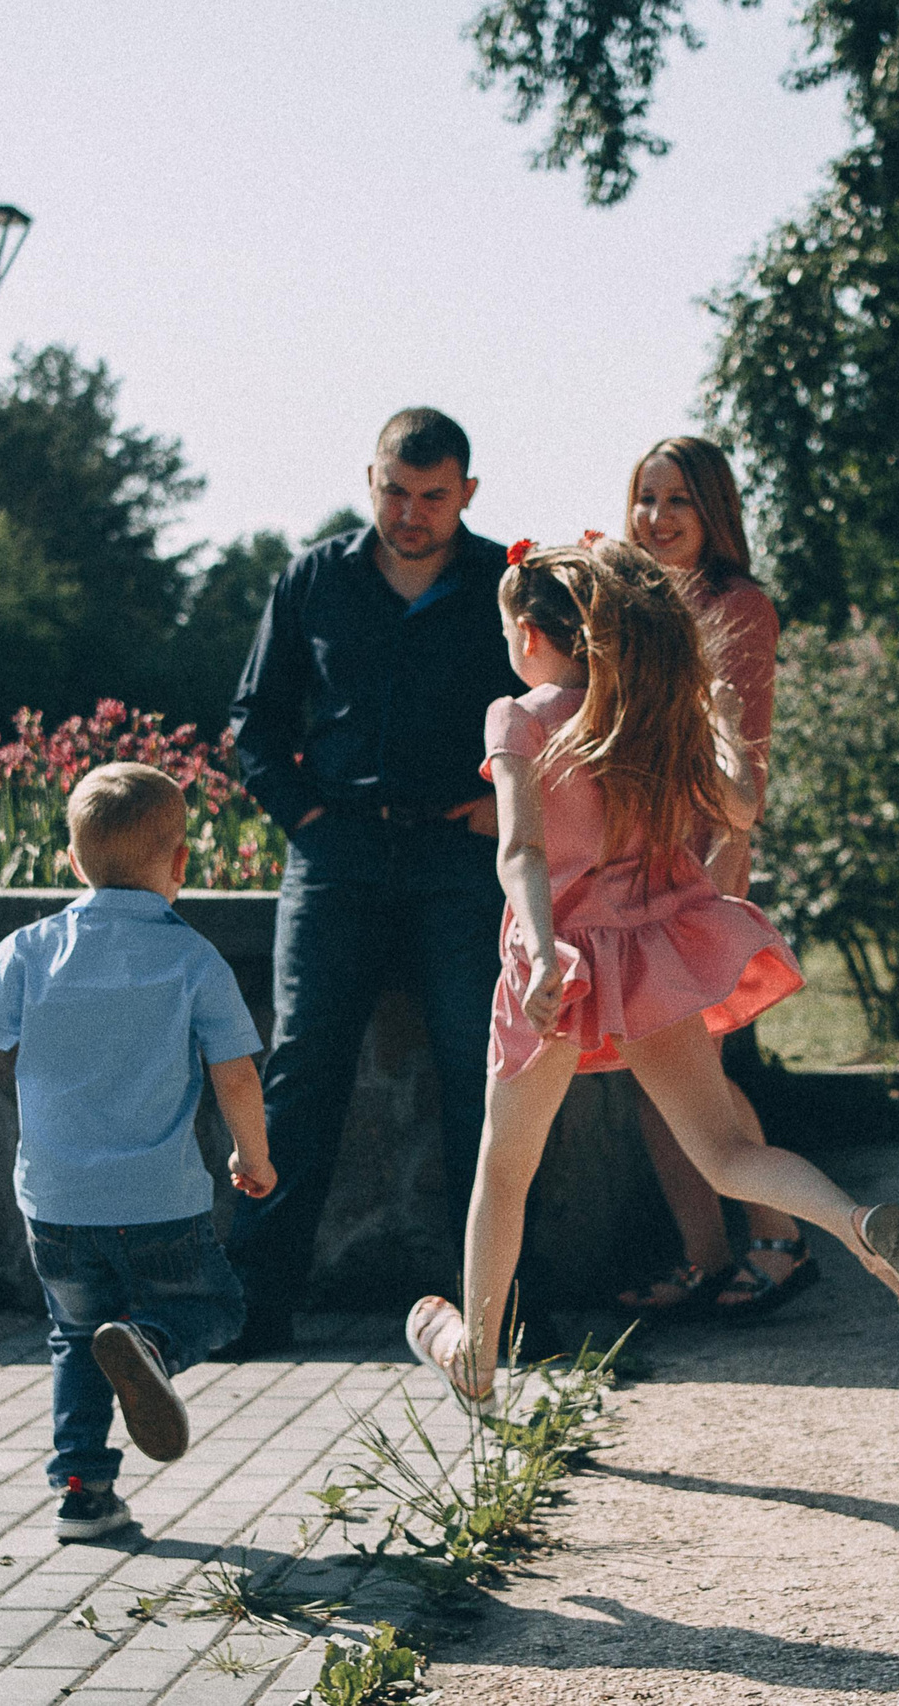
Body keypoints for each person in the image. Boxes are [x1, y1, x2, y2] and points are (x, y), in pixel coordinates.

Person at [404, 539, 899, 1406]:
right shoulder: (656, 716)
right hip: (653, 957)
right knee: (729, 1151)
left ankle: (474, 1355)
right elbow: (740, 807)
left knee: (505, 1165)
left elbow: (520, 848)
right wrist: (718, 717)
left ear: (527, 633)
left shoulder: (518, 718)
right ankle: (859, 1228)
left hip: (561, 967)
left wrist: (547, 947)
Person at [0, 761, 277, 1543]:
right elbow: (236, 1073)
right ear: (182, 862)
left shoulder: (33, 947)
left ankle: (84, 1492)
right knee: (216, 1307)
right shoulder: (194, 959)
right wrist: (252, 1155)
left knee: (76, 1337)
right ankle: (154, 1345)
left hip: (56, 1204)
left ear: (72, 860)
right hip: (160, 1199)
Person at [221, 407, 541, 1361]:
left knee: (482, 1076)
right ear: (370, 479)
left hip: (460, 856)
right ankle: (254, 1309)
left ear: (468, 495)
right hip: (339, 857)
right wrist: (307, 817)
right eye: (394, 491)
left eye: (433, 496)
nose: (410, 513)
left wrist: (506, 811)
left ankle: (503, 1314)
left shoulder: (505, 585)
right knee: (300, 1072)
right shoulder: (314, 577)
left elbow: (562, 706)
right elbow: (254, 719)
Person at [613, 436, 817, 1321]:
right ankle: (702, 1255)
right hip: (635, 860)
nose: (655, 520)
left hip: (701, 864)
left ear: (714, 515)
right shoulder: (633, 601)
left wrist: (712, 881)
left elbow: (739, 766)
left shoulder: (739, 606)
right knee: (655, 1069)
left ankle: (780, 1239)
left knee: (692, 1064)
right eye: (645, 499)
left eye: (678, 504)